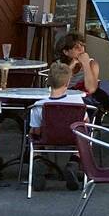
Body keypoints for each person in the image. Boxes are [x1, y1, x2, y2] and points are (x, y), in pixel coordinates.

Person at [28, 61, 87, 190]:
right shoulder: (78, 101)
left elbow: (36, 130)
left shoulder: (39, 105)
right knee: (84, 136)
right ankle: (73, 163)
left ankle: (39, 160)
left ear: (49, 81)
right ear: (67, 83)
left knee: (33, 135)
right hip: (72, 138)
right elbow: (85, 122)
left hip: (48, 138)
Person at [56, 32, 109, 106]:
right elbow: (56, 87)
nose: (81, 49)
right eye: (76, 47)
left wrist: (85, 64)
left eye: (82, 46)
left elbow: (91, 89)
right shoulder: (59, 65)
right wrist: (71, 66)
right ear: (66, 52)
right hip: (64, 99)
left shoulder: (92, 64)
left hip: (84, 102)